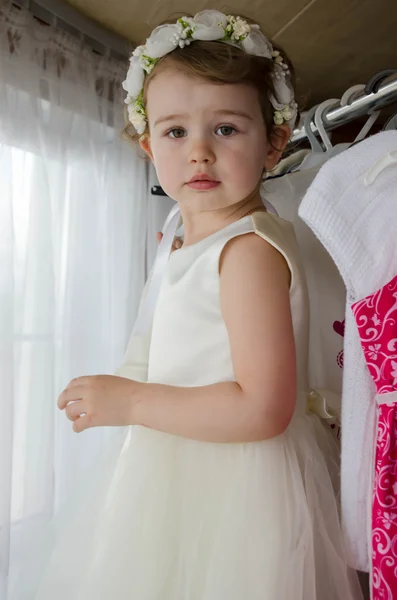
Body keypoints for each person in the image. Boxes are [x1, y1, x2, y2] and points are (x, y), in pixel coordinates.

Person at [11, 10, 363, 600]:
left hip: (237, 484)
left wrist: (130, 399)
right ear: (149, 146)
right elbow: (161, 338)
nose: (198, 152)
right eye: (176, 132)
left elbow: (262, 409)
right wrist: (121, 382)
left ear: (275, 141)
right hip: (176, 460)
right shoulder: (183, 238)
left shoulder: (247, 250)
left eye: (225, 129)